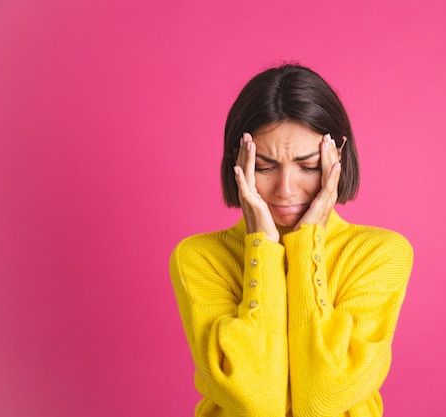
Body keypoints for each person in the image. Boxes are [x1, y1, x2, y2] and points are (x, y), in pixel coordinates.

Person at [169, 63, 413, 417]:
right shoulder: (199, 257)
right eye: (265, 167)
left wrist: (306, 244)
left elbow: (323, 399)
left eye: (309, 166)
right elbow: (256, 403)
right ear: (237, 163)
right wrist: (263, 249)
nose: (285, 190)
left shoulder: (380, 254)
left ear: (337, 160)